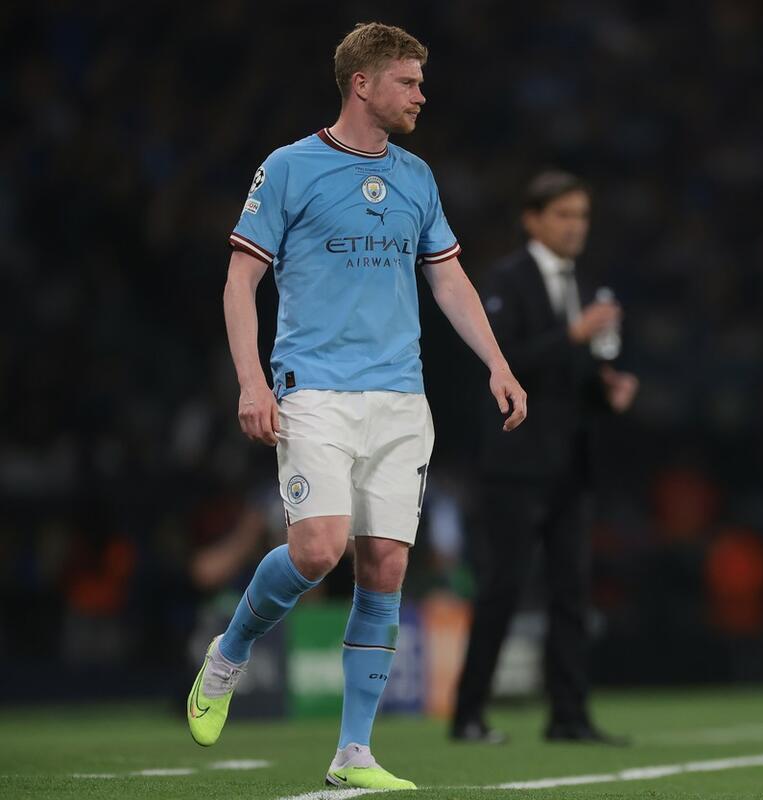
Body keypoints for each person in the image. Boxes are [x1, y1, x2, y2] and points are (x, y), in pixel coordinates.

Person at [186, 22, 527, 791]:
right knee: (317, 550)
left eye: (421, 82)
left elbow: (447, 278)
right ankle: (229, 653)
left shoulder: (417, 177)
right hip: (314, 388)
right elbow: (240, 280)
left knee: (387, 565)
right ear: (362, 84)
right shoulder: (289, 168)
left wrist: (497, 362)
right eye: (408, 81)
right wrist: (251, 381)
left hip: (400, 396)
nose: (421, 95)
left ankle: (354, 754)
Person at [450, 171, 638, 745]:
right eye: (564, 214)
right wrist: (573, 335)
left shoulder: (585, 283)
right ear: (532, 219)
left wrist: (607, 391)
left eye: (582, 215)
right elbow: (501, 360)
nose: (576, 226)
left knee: (571, 593)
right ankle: (468, 715)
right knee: (503, 587)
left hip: (570, 464)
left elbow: (570, 375)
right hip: (515, 463)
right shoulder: (507, 279)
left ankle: (569, 716)